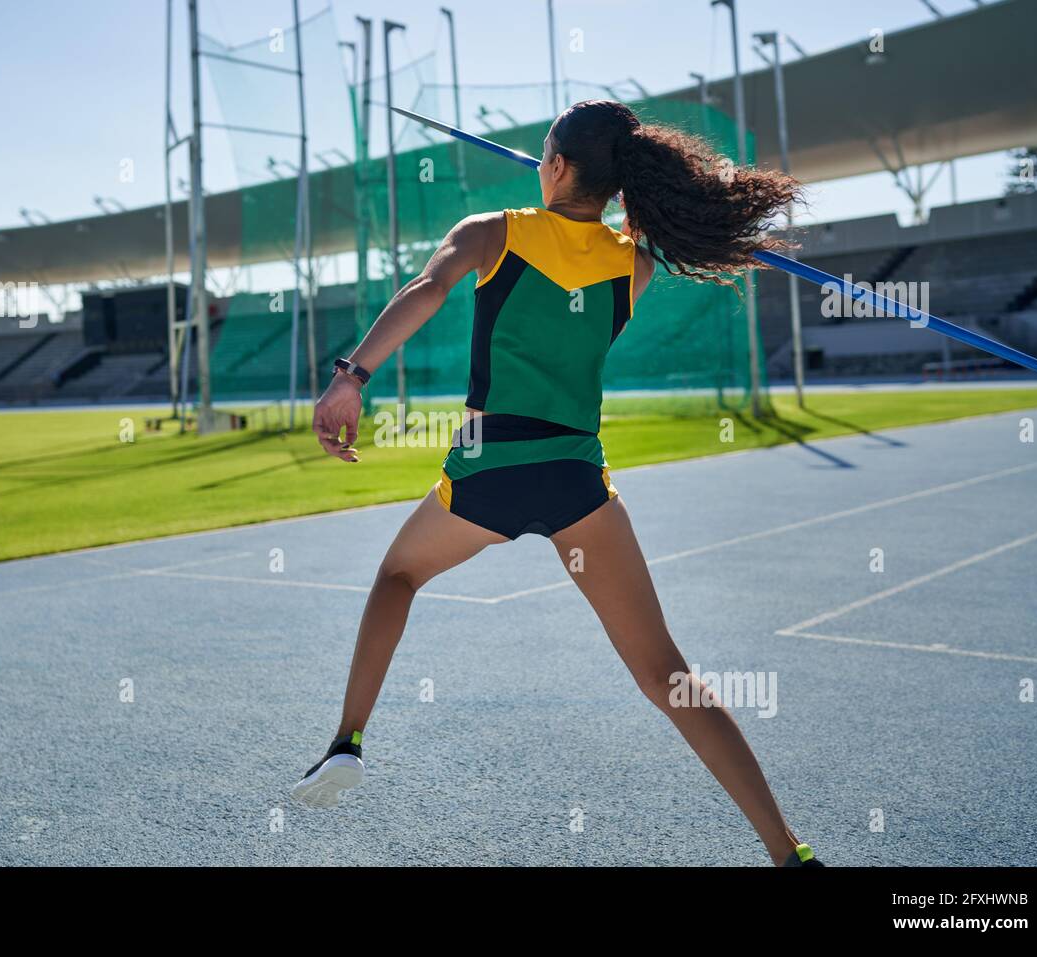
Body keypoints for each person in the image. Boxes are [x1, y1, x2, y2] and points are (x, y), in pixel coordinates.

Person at [293, 99, 822, 867]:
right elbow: (622, 244)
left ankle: (347, 740)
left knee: (400, 574)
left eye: (546, 152)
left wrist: (352, 376)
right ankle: (787, 850)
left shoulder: (493, 232)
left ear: (560, 166)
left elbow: (427, 289)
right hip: (577, 482)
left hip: (488, 473)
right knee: (666, 673)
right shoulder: (633, 263)